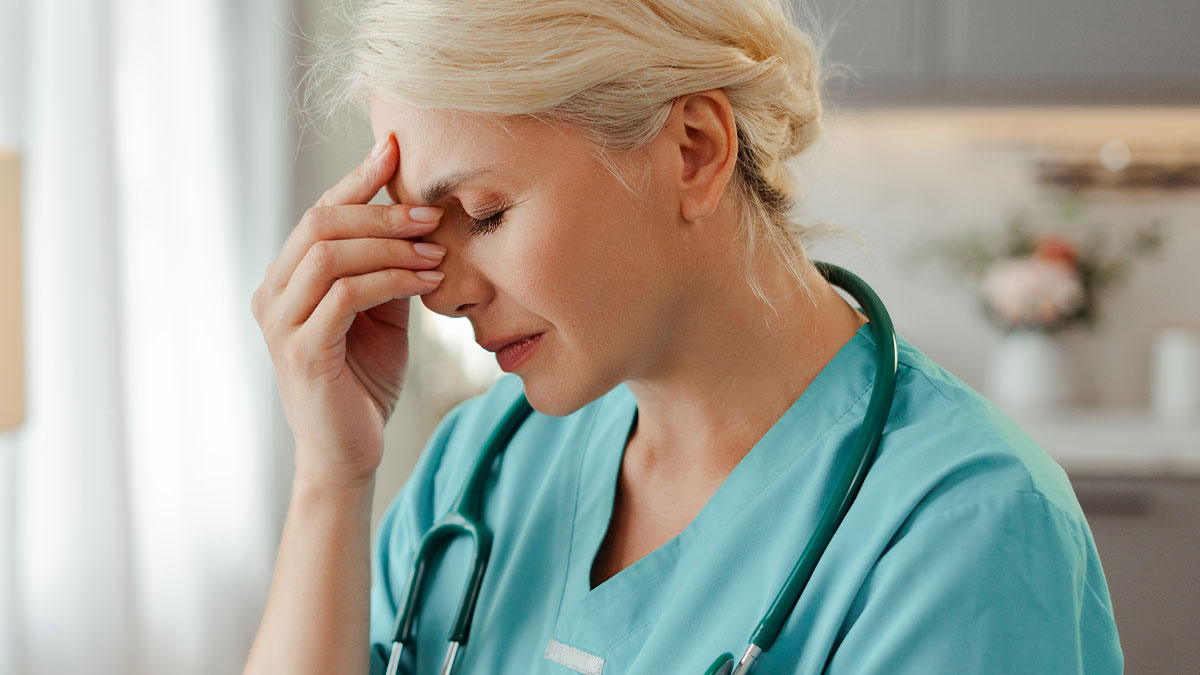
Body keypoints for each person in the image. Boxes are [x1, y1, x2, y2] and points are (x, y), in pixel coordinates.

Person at [244, 1, 1122, 673]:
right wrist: (330, 476)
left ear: (694, 150)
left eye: (483, 212)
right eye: (424, 232)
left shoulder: (962, 528)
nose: (445, 296)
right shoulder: (484, 462)